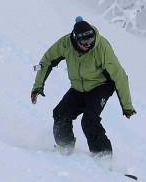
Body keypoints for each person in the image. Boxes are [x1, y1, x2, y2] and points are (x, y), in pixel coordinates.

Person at [30, 17, 136, 161]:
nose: (88, 45)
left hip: (100, 86)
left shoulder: (101, 47)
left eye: (91, 40)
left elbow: (119, 75)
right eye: (84, 42)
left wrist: (127, 106)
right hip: (78, 88)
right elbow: (46, 61)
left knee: (89, 120)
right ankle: (65, 147)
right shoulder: (65, 44)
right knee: (60, 113)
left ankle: (103, 157)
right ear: (75, 39)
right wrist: (38, 86)